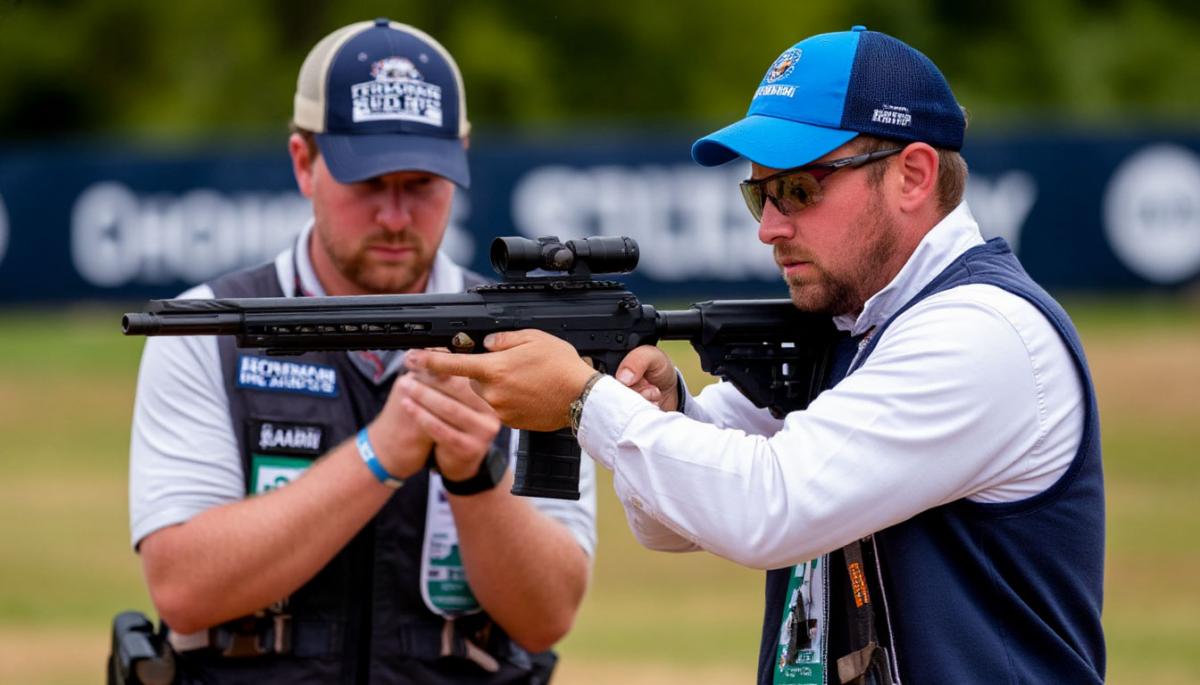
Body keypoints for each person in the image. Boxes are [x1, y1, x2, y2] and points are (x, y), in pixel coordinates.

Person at [405, 26, 1105, 684]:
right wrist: (667, 409)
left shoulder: (980, 332)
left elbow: (771, 508)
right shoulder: (853, 323)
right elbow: (668, 524)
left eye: (798, 189)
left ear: (913, 175)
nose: (769, 227)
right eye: (759, 194)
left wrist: (584, 399)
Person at [128, 18, 594, 684]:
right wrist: (381, 453)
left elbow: (548, 615)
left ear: (461, 159)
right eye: (368, 182)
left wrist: (474, 474)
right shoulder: (208, 328)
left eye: (423, 183)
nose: (396, 217)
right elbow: (182, 588)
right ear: (303, 163)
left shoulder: (529, 341)